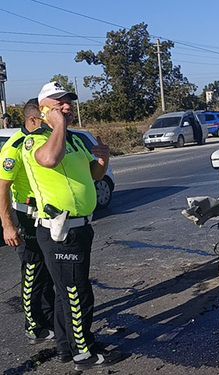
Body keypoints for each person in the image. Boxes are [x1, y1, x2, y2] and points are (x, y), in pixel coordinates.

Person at [21, 81, 123, 370]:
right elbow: (51, 160)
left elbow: (94, 175)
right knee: (76, 292)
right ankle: (84, 352)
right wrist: (56, 126)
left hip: (80, 227)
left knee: (67, 291)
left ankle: (67, 347)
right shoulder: (36, 140)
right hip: (59, 230)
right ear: (43, 109)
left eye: (69, 102)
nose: (67, 107)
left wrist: (102, 159)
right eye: (59, 103)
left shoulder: (77, 140)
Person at [0, 99, 56, 346]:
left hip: (46, 216)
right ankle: (33, 326)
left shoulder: (44, 141)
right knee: (32, 272)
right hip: (26, 216)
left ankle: (50, 317)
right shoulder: (14, 147)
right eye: (45, 117)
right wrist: (8, 225)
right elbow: (2, 188)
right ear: (34, 119)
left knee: (47, 271)